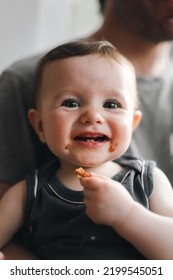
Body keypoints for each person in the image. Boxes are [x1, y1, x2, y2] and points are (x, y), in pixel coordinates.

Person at [0, 0, 173, 258]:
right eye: (71, 103)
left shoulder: (147, 181)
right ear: (40, 125)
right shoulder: (28, 192)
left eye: (111, 104)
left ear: (133, 124)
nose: (92, 116)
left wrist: (128, 215)